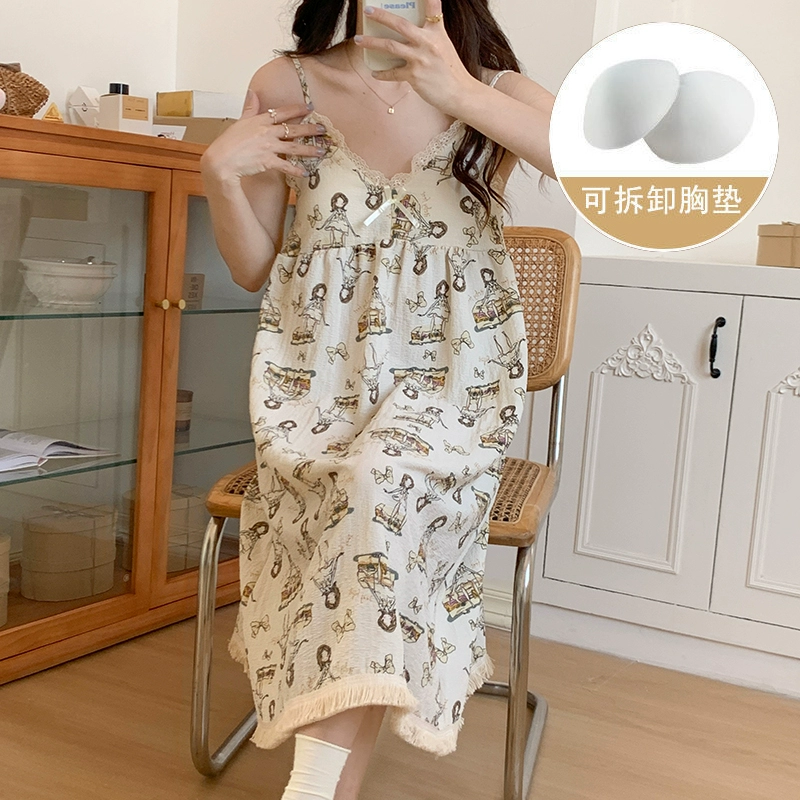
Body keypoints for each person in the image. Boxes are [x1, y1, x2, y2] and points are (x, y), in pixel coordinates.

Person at [200, 1, 555, 797]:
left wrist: (460, 92)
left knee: (376, 484)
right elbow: (253, 266)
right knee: (361, 496)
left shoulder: (491, 87)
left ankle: (313, 787)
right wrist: (218, 175)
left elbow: (600, 169)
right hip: (316, 389)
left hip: (451, 384)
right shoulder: (286, 85)